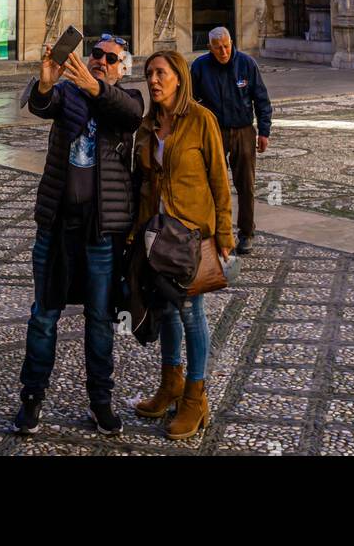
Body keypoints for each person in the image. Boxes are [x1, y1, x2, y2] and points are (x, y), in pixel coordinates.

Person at [13, 33, 143, 437]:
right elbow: (40, 104)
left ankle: (100, 402)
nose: (101, 60)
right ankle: (32, 400)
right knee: (44, 316)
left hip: (102, 231)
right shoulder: (67, 94)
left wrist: (96, 87)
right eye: (97, 54)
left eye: (111, 58)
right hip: (57, 224)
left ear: (123, 67)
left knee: (100, 319)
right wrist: (48, 81)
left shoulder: (129, 99)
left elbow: (130, 115)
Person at [132, 51, 233, 440]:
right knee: (167, 311)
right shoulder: (148, 125)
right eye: (149, 74)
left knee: (191, 312)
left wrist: (224, 234)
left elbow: (219, 181)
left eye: (161, 73)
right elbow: (143, 184)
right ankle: (170, 385)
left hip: (191, 235)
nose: (153, 80)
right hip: (157, 237)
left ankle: (195, 395)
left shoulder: (202, 121)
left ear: (179, 78)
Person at [191, 27, 271, 256]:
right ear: (210, 48)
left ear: (232, 43)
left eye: (226, 46)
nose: (224, 51)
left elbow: (262, 99)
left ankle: (246, 233)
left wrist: (264, 131)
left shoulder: (247, 64)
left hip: (244, 130)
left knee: (245, 184)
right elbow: (189, 101)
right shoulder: (200, 67)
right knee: (212, 183)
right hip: (214, 132)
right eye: (218, 48)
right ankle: (214, 231)